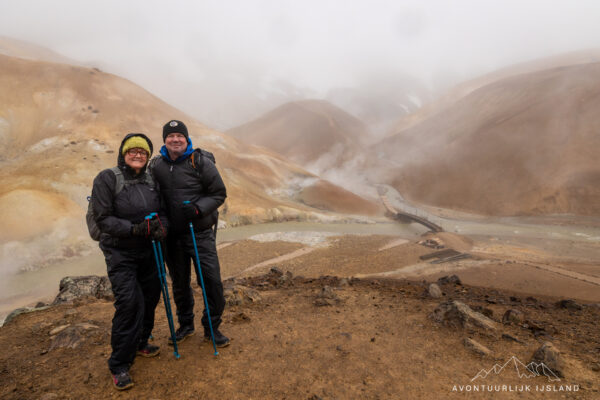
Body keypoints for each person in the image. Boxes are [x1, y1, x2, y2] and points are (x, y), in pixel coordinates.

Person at [91, 133, 167, 390]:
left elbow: (163, 212)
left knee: (150, 298)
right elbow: (103, 218)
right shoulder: (107, 178)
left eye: (143, 152)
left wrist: (160, 226)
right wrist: (134, 229)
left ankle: (141, 342)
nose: (138, 155)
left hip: (149, 250)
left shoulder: (151, 179)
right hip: (120, 252)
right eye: (133, 151)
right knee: (129, 304)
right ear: (123, 153)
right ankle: (120, 364)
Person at [149, 120, 229, 348]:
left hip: (199, 232)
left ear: (186, 138)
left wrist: (197, 208)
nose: (175, 140)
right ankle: (186, 325)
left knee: (211, 282)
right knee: (180, 284)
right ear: (164, 140)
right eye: (170, 136)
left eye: (179, 136)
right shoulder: (156, 166)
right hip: (172, 237)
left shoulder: (200, 162)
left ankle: (212, 327)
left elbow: (218, 193)